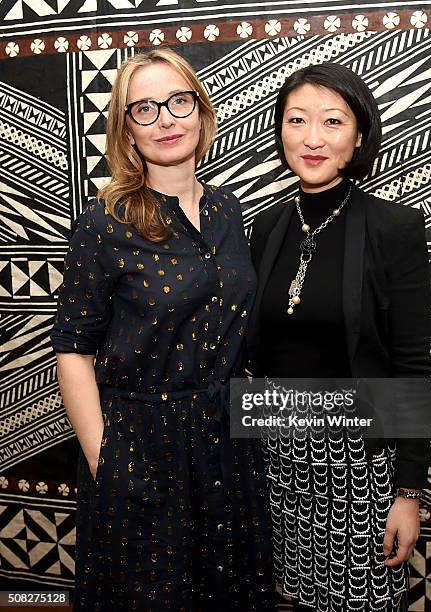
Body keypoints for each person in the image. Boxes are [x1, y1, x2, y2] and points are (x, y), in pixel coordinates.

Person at [50, 48, 274, 611]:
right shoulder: (107, 221)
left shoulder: (230, 210)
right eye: (144, 109)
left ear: (201, 111)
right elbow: (72, 350)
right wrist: (108, 460)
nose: (166, 120)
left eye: (178, 102)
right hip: (139, 445)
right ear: (127, 131)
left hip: (225, 445)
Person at [247, 63, 431, 611]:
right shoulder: (266, 227)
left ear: (358, 135)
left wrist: (407, 493)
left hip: (361, 464)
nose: (312, 138)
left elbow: (410, 365)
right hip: (276, 455)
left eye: (332, 121)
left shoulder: (394, 228)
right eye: (296, 120)